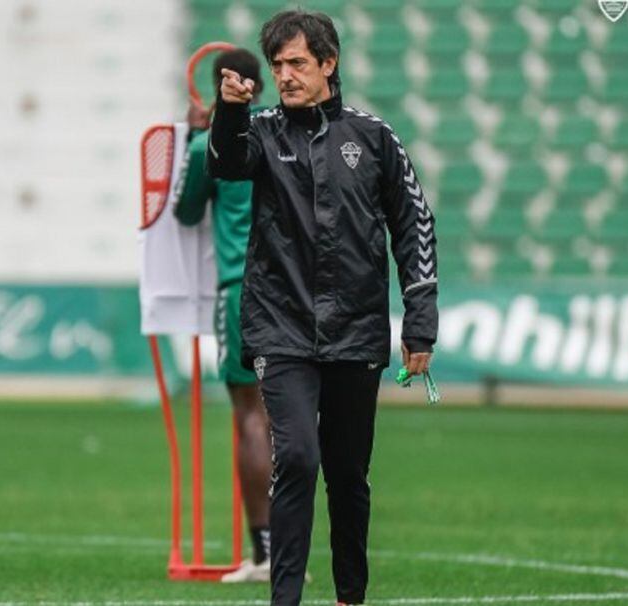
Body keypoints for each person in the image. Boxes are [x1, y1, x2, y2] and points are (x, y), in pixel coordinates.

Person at [207, 10, 439, 606]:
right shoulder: (258, 130)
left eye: (297, 63)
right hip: (279, 330)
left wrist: (419, 324)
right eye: (278, 65)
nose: (285, 75)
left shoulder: (373, 136)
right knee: (299, 459)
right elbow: (227, 163)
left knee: (347, 474)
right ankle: (284, 599)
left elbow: (414, 224)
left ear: (328, 64)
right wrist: (230, 107)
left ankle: (349, 596)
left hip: (357, 332)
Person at [174, 48, 273, 584]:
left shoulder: (207, 143)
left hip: (240, 288)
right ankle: (290, 549)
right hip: (293, 292)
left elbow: (186, 212)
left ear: (217, 86)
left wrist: (194, 137)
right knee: (286, 418)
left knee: (250, 416)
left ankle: (265, 552)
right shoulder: (283, 136)